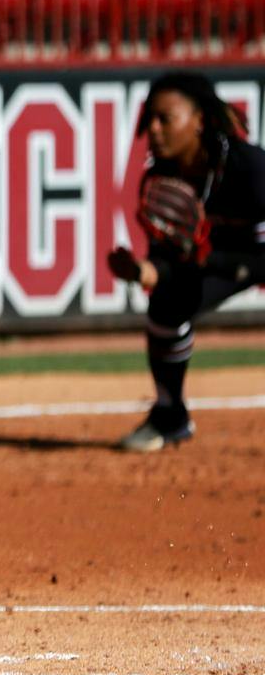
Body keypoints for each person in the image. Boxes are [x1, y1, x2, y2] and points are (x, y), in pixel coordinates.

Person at [106, 72, 265, 452]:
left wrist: (215, 259)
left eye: (166, 119)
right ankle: (170, 416)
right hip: (222, 260)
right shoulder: (161, 180)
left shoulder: (250, 169)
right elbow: (168, 261)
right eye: (150, 121)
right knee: (166, 305)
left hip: (257, 252)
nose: (154, 130)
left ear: (200, 121)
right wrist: (142, 271)